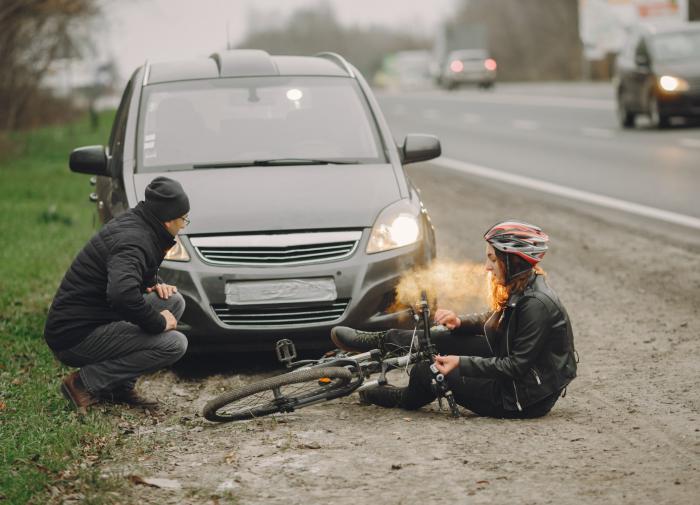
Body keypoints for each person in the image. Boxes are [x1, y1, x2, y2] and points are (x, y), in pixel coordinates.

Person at [331, 220, 577, 419]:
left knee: (426, 371)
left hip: (520, 397)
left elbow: (514, 367)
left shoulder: (536, 304)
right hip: (516, 373)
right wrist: (460, 321)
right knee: (444, 335)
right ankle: (377, 341)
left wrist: (460, 363)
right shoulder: (523, 288)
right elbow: (496, 320)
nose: (487, 267)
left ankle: (400, 396)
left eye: (492, 259)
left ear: (513, 261)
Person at [44, 176, 191, 411]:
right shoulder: (134, 240)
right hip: (75, 335)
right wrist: (158, 322)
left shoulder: (142, 225)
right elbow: (121, 295)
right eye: (183, 219)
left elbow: (128, 272)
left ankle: (119, 386)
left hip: (96, 319)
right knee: (174, 344)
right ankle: (83, 384)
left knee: (172, 301)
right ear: (167, 220)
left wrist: (153, 283)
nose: (184, 225)